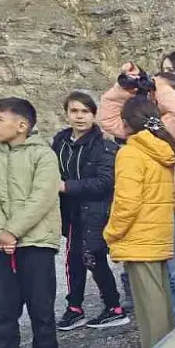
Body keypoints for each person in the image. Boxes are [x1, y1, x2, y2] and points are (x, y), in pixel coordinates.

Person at [98, 64, 175, 324]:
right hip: (154, 210)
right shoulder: (148, 127)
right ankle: (173, 331)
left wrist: (161, 86)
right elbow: (108, 119)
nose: (155, 94)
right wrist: (123, 88)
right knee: (164, 277)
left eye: (161, 92)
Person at [0, 98, 62, 348]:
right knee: (0, 304)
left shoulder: (44, 155)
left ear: (22, 125)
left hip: (36, 239)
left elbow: (42, 197)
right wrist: (0, 231)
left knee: (40, 301)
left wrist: (13, 230)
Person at [104, 97, 175, 348]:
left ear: (127, 124)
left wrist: (111, 233)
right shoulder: (161, 149)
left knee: (149, 306)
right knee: (161, 300)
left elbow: (127, 202)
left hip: (139, 236)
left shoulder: (131, 153)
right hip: (158, 233)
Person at [52, 91, 130, 331]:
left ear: (93, 115)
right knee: (72, 260)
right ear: (66, 114)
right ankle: (75, 308)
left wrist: (66, 186)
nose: (79, 116)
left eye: (85, 111)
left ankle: (114, 308)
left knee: (93, 257)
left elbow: (105, 183)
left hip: (96, 212)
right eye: (74, 111)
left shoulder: (105, 146)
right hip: (71, 213)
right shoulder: (59, 143)